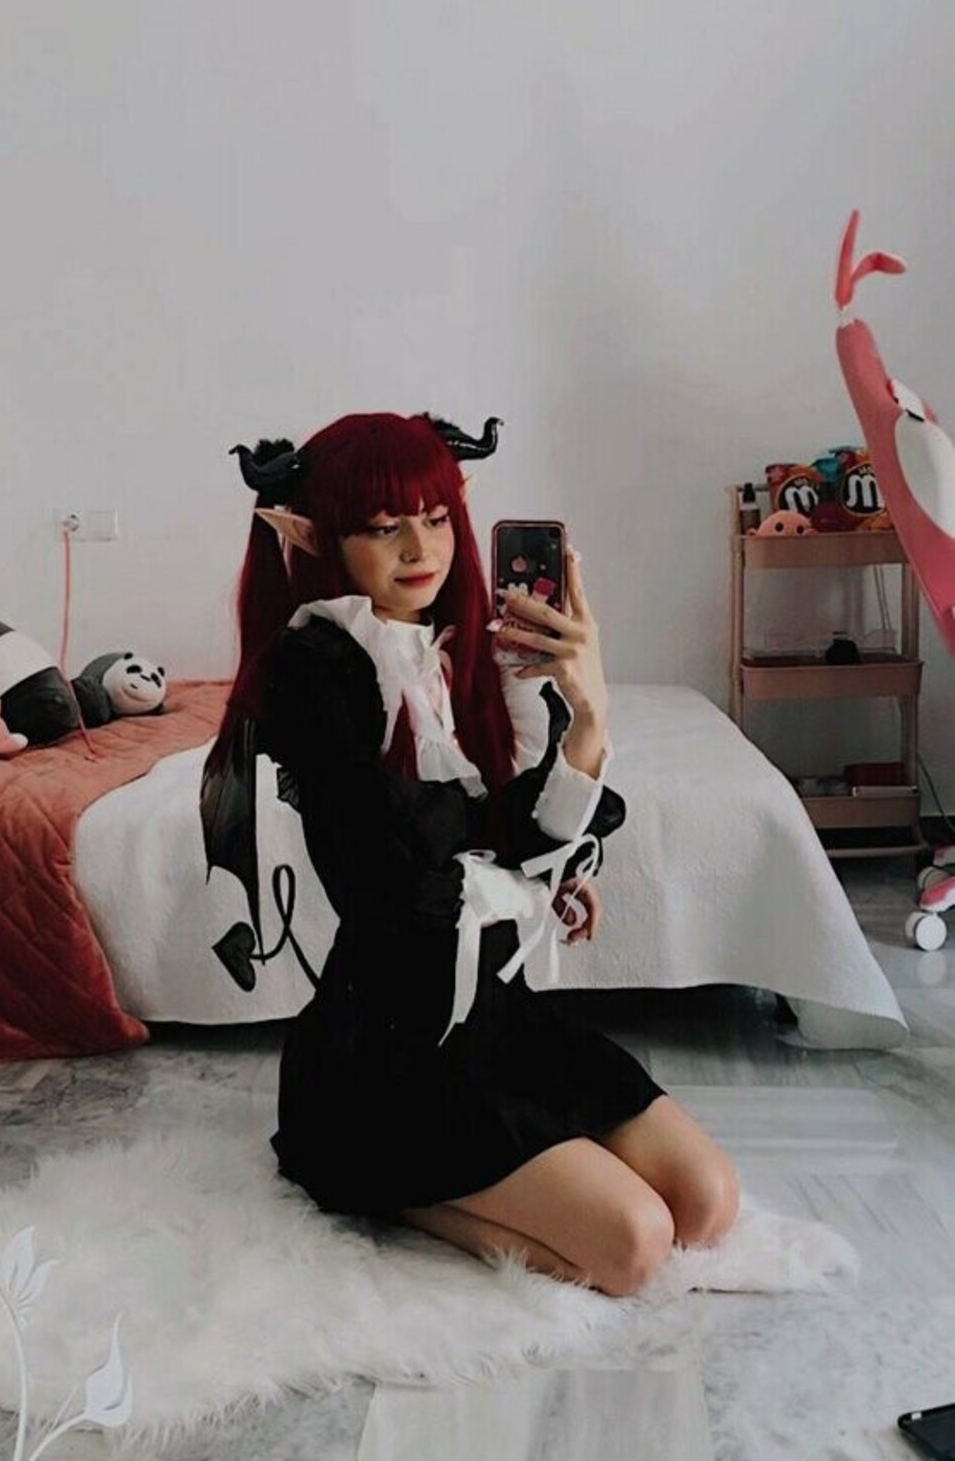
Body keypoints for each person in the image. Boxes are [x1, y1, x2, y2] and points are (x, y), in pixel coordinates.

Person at [201, 412, 739, 1296]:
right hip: (389, 1046)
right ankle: (370, 1178)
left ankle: (467, 1175)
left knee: (707, 1204)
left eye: (437, 517)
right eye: (385, 527)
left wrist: (591, 714)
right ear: (314, 536)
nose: (422, 549)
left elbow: (501, 830)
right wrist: (527, 879)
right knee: (635, 1247)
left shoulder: (458, 653)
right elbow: (398, 880)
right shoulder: (313, 671)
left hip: (496, 1013)